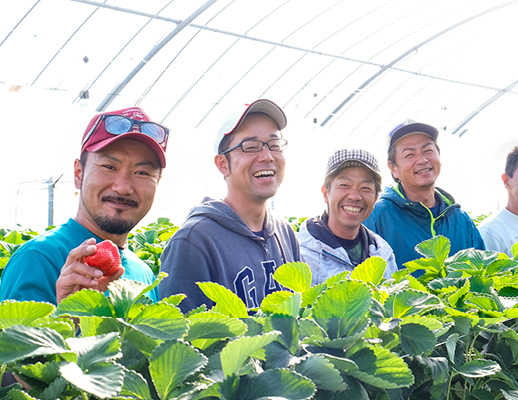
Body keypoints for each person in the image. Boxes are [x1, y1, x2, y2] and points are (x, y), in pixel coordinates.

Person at [0, 107, 166, 305]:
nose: (123, 188)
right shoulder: (38, 259)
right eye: (109, 167)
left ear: (158, 182)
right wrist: (71, 316)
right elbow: (19, 337)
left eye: (142, 172)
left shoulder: (144, 274)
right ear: (79, 174)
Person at [159, 99, 300, 313]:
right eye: (250, 147)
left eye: (274, 145)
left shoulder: (285, 232)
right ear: (223, 164)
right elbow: (181, 338)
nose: (267, 156)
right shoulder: (193, 241)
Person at [364, 119, 485, 276]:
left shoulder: (460, 219)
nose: (422, 160)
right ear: (393, 168)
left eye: (428, 150)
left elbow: (482, 272)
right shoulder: (377, 217)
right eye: (409, 154)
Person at [298, 149, 397, 285]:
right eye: (344, 185)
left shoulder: (383, 253)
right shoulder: (300, 253)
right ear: (326, 193)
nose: (355, 196)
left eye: (365, 188)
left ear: (375, 199)